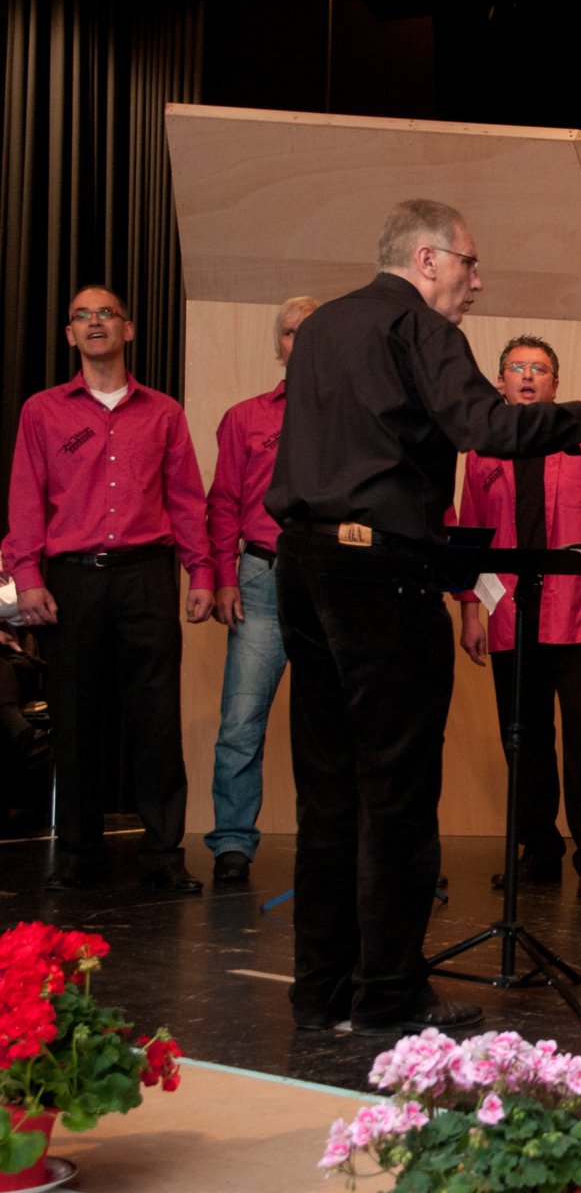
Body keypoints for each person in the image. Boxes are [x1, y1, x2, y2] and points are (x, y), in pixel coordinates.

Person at [268, 198, 581, 1036]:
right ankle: (390, 995)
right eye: (469, 264)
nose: (478, 280)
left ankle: (320, 986)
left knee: (328, 794)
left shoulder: (321, 327)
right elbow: (486, 426)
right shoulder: (419, 327)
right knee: (396, 791)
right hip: (378, 574)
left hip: (302, 564)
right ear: (428, 259)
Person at [4, 285, 214, 893]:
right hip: (71, 582)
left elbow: (185, 498)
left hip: (146, 576)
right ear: (70, 335)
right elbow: (25, 499)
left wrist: (200, 570)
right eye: (81, 315)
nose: (94, 322)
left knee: (156, 721)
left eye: (106, 313)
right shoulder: (43, 411)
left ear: (127, 330)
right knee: (74, 721)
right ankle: (78, 853)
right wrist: (27, 576)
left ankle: (162, 856)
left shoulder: (164, 412)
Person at [455, 334, 581, 900]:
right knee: (523, 740)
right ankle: (539, 849)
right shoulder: (483, 451)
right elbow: (473, 541)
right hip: (510, 616)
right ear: (501, 381)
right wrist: (474, 612)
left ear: (556, 384)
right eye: (517, 368)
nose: (528, 376)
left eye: (539, 369)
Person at [203, 295, 317, 886]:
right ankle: (232, 843)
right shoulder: (245, 417)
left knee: (328, 725)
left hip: (328, 578)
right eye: (291, 332)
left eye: (312, 331)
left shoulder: (352, 413)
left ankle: (327, 845)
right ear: (280, 345)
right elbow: (222, 504)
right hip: (261, 578)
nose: (300, 341)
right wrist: (223, 576)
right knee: (242, 720)